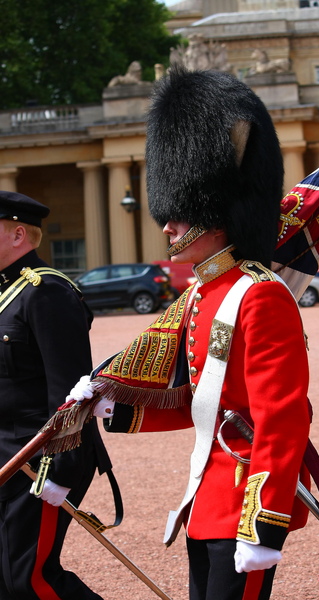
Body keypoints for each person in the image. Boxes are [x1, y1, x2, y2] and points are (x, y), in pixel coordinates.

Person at [68, 67, 311, 600]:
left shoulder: (259, 294)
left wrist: (265, 521)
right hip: (207, 494)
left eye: (179, 214)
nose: (167, 226)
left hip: (245, 499)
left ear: (216, 213)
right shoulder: (204, 293)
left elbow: (282, 414)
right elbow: (205, 402)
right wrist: (116, 403)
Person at [0, 190, 112, 600]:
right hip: (6, 456)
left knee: (29, 579)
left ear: (17, 234)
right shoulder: (6, 293)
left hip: (37, 459)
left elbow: (71, 393)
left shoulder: (46, 292)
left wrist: (58, 470)